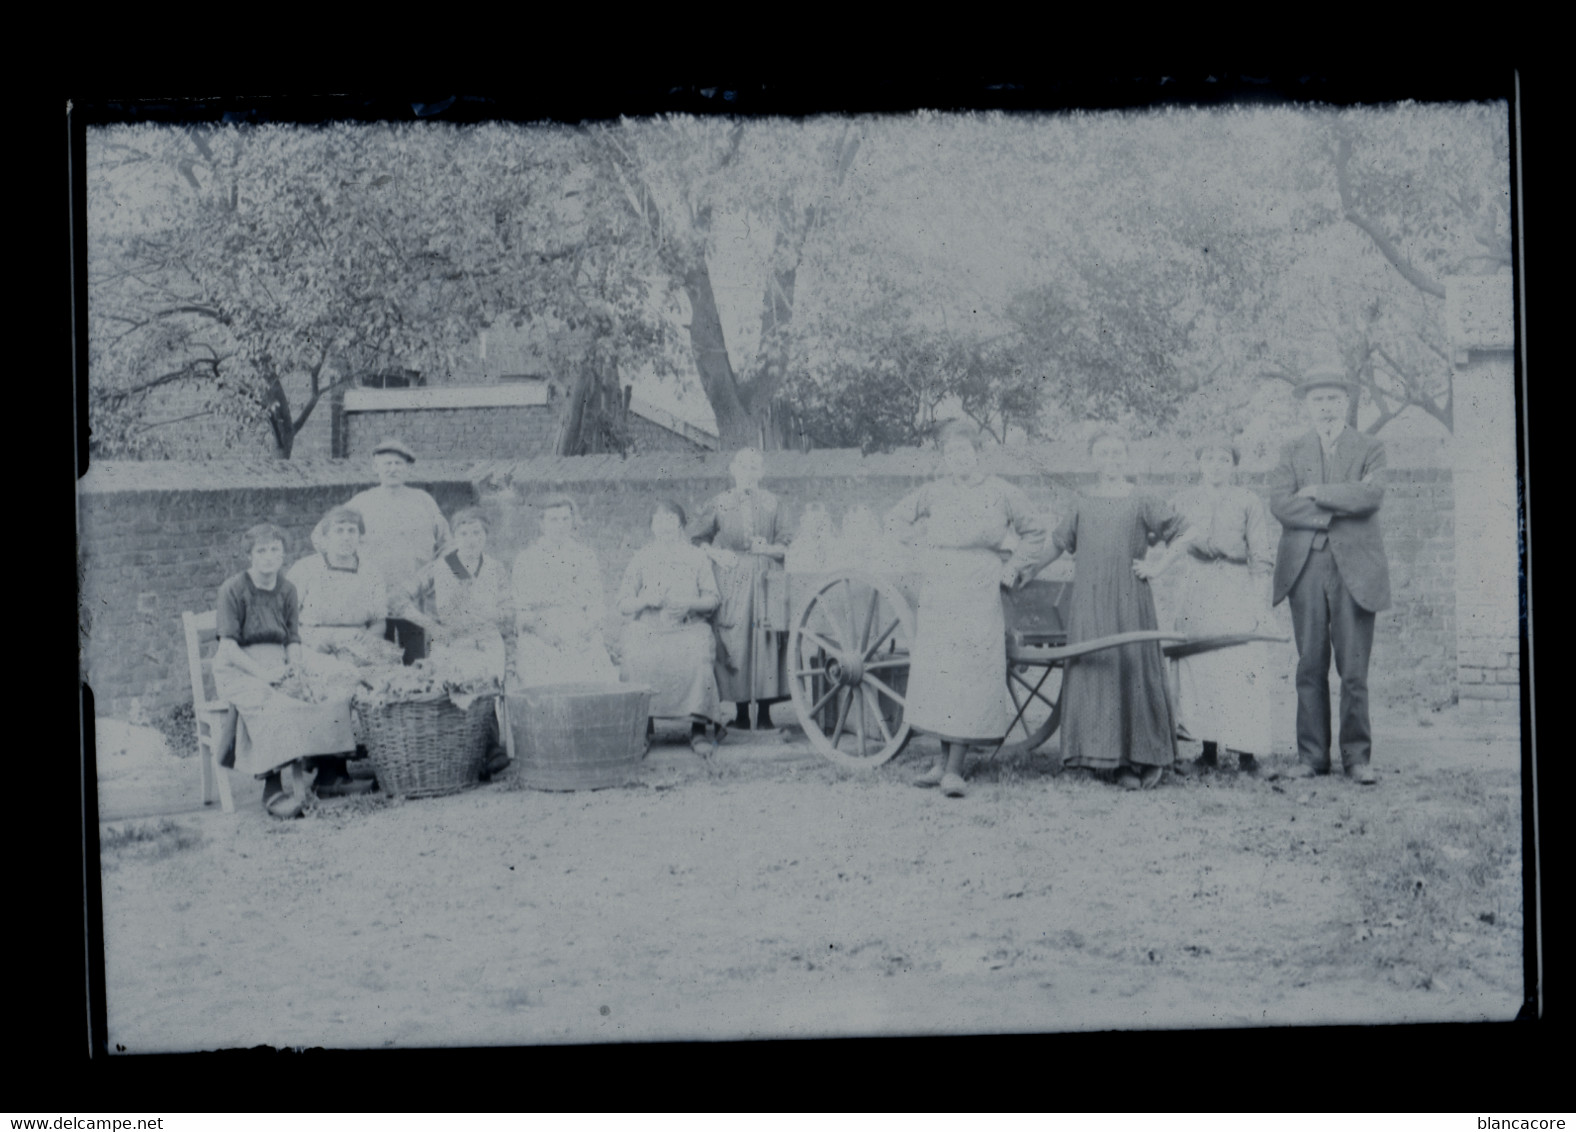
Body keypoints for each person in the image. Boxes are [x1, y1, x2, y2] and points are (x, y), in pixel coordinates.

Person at [888, 420, 1050, 799]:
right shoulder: (934, 492)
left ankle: (956, 768)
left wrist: (1012, 568)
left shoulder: (1001, 491)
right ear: (945, 458)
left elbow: (1035, 533)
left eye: (966, 452)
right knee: (941, 671)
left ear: (979, 454)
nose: (959, 459)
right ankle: (941, 763)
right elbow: (896, 518)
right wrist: (918, 543)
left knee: (969, 671)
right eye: (951, 453)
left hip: (980, 582)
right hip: (941, 580)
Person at [1038, 429, 1188, 790]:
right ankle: (1106, 761)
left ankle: (1147, 756)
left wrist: (1157, 567)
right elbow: (1057, 544)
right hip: (1089, 602)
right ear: (1093, 459)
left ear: (1127, 457)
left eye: (1118, 453)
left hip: (1130, 599)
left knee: (1134, 670)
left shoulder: (1142, 500)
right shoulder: (1082, 502)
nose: (1111, 460)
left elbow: (1186, 532)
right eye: (1104, 453)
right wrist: (1025, 569)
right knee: (1097, 672)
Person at [1269, 365, 1390, 785]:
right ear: (1307, 405)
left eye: (1333, 399)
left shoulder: (1370, 447)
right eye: (1318, 399)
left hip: (1356, 568)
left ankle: (1357, 758)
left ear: (1346, 403)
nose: (1326, 407)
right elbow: (1281, 506)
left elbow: (1370, 497)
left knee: (1354, 669)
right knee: (1310, 664)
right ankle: (1312, 757)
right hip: (1306, 567)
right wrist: (1340, 506)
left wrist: (1317, 493)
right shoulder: (1291, 451)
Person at [211, 523, 359, 818]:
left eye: (275, 550)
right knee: (272, 704)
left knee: (324, 692)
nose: (268, 557)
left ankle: (330, 774)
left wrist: (295, 672)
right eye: (261, 551)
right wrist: (263, 676)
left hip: (279, 663)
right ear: (249, 555)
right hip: (239, 669)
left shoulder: (288, 589)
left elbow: (292, 639)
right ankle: (272, 789)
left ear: (283, 554)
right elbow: (228, 648)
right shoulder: (233, 589)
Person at [1144, 442, 1275, 774]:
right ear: (1199, 463)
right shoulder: (1183, 500)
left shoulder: (1248, 501)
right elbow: (1153, 533)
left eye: (1224, 459)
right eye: (1209, 459)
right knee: (1199, 666)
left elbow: (1260, 555)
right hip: (1196, 582)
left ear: (1234, 465)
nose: (1216, 465)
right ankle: (1207, 752)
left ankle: (1247, 755)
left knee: (1238, 665)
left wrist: (1259, 601)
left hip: (1235, 582)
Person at [286, 505, 397, 795]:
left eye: (352, 531)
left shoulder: (370, 572)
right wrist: (311, 641)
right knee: (338, 677)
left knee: (392, 677)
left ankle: (392, 762)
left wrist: (361, 647)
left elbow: (378, 622)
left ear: (360, 537)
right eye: (339, 531)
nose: (346, 537)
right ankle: (329, 772)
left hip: (358, 642)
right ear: (325, 536)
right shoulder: (306, 569)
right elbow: (286, 619)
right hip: (311, 642)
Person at [399, 507, 512, 778]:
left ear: (486, 536)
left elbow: (508, 609)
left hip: (485, 640)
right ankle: (470, 753)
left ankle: (490, 750)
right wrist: (431, 626)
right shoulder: (442, 565)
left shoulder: (495, 567)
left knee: (485, 688)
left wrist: (492, 617)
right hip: (451, 643)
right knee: (458, 685)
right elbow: (399, 599)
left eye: (477, 533)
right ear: (454, 536)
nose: (471, 539)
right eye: (464, 533)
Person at [689, 448, 792, 731]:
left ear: (762, 472)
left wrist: (768, 548)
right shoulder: (719, 503)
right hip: (732, 577)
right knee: (737, 640)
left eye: (754, 467)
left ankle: (768, 713)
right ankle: (743, 712)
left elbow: (787, 542)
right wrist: (716, 554)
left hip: (767, 576)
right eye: (743, 467)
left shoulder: (774, 503)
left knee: (769, 639)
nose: (748, 472)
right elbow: (697, 538)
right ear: (733, 470)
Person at [617, 500, 727, 757]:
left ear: (681, 524)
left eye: (671, 519)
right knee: (635, 653)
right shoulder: (642, 557)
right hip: (651, 627)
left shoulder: (696, 556)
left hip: (688, 626)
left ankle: (698, 728)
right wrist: (645, 600)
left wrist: (689, 604)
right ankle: (642, 729)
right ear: (652, 526)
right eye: (659, 520)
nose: (665, 526)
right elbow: (623, 603)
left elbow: (712, 598)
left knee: (698, 652)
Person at [345, 438, 452, 665]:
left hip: (415, 602)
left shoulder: (423, 502)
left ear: (407, 468)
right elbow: (324, 537)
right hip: (374, 603)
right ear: (375, 467)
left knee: (417, 665)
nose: (393, 469)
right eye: (387, 464)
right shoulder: (361, 503)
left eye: (398, 464)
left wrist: (463, 581)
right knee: (376, 665)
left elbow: (448, 546)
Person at [511, 494, 618, 687]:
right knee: (544, 673)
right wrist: (544, 633)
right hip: (541, 631)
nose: (560, 525)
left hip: (580, 628)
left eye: (565, 519)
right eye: (553, 520)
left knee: (595, 669)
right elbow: (521, 610)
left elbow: (596, 602)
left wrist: (588, 629)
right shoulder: (527, 559)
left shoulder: (585, 556)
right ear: (541, 523)